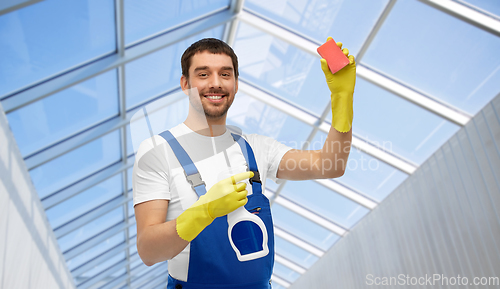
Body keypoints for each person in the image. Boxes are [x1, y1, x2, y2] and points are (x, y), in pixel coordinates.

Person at [133, 37, 356, 288]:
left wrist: (342, 97)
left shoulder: (255, 148)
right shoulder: (157, 152)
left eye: (225, 74)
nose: (215, 83)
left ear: (236, 84)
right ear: (186, 84)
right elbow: (148, 251)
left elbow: (330, 164)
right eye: (203, 74)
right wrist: (203, 212)